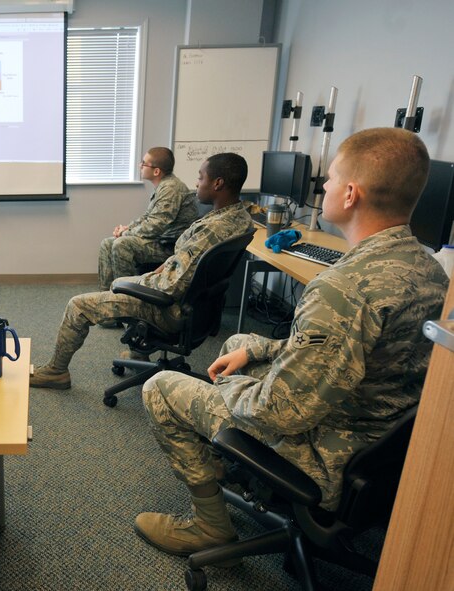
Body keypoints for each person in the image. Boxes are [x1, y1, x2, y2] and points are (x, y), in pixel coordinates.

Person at [134, 128, 449, 560]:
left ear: (352, 194)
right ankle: (233, 461)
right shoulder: (431, 272)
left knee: (161, 389)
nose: (324, 187)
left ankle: (209, 524)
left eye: (332, 178)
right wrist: (256, 353)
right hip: (380, 453)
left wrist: (230, 386)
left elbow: (279, 412)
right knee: (243, 340)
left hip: (327, 456)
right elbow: (348, 352)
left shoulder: (343, 288)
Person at [31, 152, 254, 390]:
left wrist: (133, 285)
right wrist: (149, 274)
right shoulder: (239, 219)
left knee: (79, 305)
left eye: (201, 177)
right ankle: (138, 354)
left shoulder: (213, 229)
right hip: (196, 307)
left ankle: (56, 372)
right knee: (123, 280)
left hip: (168, 308)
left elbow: (170, 286)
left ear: (218, 183)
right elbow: (183, 264)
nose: (197, 183)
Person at [98, 147, 197, 293]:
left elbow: (156, 225)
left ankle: (126, 298)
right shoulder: (163, 185)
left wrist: (125, 234)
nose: (140, 166)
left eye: (143, 163)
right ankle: (106, 295)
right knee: (107, 243)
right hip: (161, 239)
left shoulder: (171, 188)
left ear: (156, 171)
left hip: (170, 245)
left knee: (122, 244)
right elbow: (148, 217)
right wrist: (127, 229)